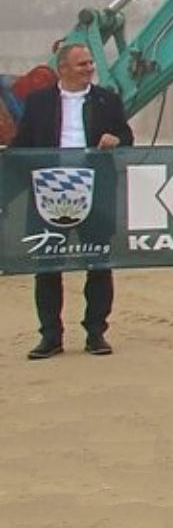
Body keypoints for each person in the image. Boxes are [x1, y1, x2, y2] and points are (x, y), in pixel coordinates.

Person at [10, 42, 133, 359]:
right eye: (82, 64)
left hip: (95, 193)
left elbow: (127, 136)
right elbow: (21, 147)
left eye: (91, 63)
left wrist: (116, 139)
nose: (90, 68)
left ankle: (96, 333)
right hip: (49, 193)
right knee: (48, 265)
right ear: (62, 68)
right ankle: (50, 337)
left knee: (99, 264)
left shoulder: (107, 99)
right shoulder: (38, 103)